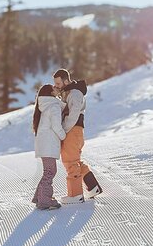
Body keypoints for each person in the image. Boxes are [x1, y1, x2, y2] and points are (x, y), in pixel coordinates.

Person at [53, 68, 103, 203]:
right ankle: (93, 186)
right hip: (75, 131)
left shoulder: (75, 93)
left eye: (58, 83)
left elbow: (73, 115)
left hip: (73, 130)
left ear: (66, 80)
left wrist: (62, 131)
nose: (56, 86)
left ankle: (75, 195)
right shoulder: (68, 92)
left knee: (70, 162)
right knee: (75, 160)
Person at [31, 84, 66, 210]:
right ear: (51, 93)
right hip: (49, 144)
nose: (57, 89)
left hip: (44, 144)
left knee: (48, 171)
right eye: (55, 88)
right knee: (50, 172)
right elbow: (56, 126)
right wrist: (64, 136)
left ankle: (39, 197)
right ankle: (45, 201)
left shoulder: (44, 106)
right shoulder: (54, 106)